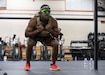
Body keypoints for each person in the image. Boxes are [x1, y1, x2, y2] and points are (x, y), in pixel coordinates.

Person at [24, 4, 60, 71]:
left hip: (46, 37)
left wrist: (51, 30)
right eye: (45, 11)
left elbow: (57, 35)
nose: (47, 13)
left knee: (55, 44)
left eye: (48, 11)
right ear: (40, 12)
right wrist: (37, 30)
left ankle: (53, 64)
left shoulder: (53, 21)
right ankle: (27, 63)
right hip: (35, 36)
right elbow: (26, 34)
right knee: (30, 43)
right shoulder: (34, 21)